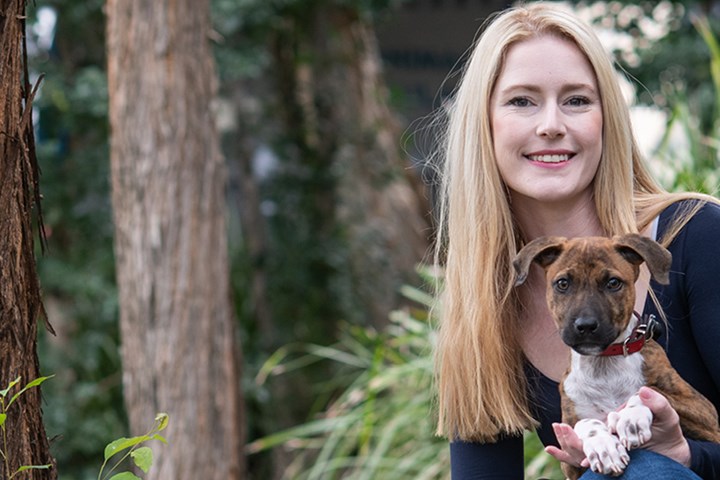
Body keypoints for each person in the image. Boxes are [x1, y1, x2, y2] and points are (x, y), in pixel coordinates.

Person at [431, 2, 720, 479]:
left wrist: (688, 457)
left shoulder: (697, 235)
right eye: (521, 101)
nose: (551, 124)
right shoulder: (484, 299)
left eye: (577, 100)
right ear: (483, 124)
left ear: (607, 118)